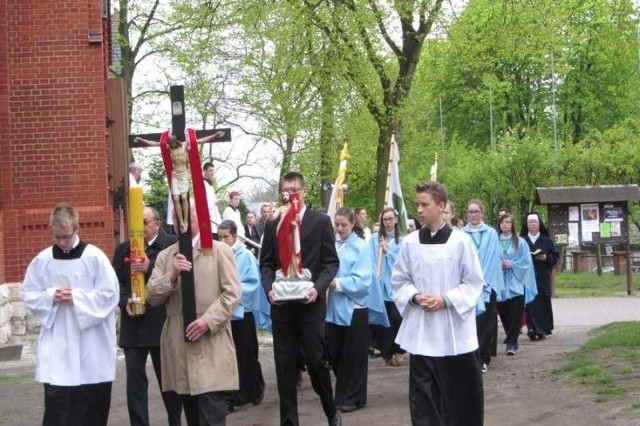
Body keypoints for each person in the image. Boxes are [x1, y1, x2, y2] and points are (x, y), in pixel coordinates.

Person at [392, 181, 484, 426]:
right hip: (422, 332)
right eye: (417, 205)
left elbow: (474, 282)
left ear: (441, 206)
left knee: (460, 397)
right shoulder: (410, 242)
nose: (419, 210)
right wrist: (414, 296)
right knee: (424, 398)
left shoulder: (460, 242)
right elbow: (399, 280)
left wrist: (446, 299)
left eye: (425, 205)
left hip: (455, 332)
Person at [21, 203, 120, 425]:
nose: (63, 242)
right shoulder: (43, 260)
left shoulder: (95, 258)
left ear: (77, 229)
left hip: (92, 346)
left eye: (66, 236)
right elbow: (28, 293)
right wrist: (50, 296)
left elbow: (109, 295)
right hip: (59, 347)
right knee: (58, 410)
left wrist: (76, 297)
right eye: (57, 237)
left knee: (91, 410)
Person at [147, 196, 242, 426]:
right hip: (179, 346)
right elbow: (152, 295)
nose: (182, 221)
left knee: (212, 415)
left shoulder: (219, 250)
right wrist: (171, 275)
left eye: (187, 214)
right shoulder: (166, 255)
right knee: (191, 417)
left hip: (211, 344)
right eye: (178, 215)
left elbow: (232, 293)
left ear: (199, 215)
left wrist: (207, 321)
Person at [260, 171, 342, 426]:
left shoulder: (320, 222)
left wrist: (317, 288)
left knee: (316, 362)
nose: (290, 194)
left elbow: (330, 263)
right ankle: (289, 422)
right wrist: (270, 289)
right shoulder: (274, 224)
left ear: (304, 191)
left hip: (310, 306)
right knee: (284, 368)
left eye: (295, 189)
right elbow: (266, 264)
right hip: (283, 308)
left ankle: (331, 410)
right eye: (286, 189)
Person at [112, 206, 182, 426]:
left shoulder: (170, 244)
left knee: (168, 381)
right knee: (134, 383)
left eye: (144, 222)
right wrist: (125, 302)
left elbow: (175, 280)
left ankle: (175, 421)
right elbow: (116, 283)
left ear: (157, 224)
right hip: (133, 325)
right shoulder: (124, 249)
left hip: (160, 322)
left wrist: (149, 267)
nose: (139, 227)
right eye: (136, 222)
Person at [326, 207, 388, 414]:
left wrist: (337, 283)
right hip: (332, 309)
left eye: (344, 225)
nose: (340, 228)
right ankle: (345, 393)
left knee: (353, 356)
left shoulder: (361, 247)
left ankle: (351, 397)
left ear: (353, 224)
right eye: (337, 224)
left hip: (354, 307)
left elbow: (364, 280)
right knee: (334, 352)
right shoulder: (330, 245)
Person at [217, 220, 268, 414]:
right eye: (219, 237)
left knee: (245, 354)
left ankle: (252, 389)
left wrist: (231, 295)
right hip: (224, 314)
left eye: (226, 237)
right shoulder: (216, 254)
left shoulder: (245, 255)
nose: (222, 240)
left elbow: (252, 284)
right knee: (228, 357)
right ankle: (233, 396)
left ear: (235, 237)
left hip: (241, 312)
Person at [463, 200, 506, 373]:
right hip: (468, 284)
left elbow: (493, 259)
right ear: (466, 214)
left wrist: (482, 280)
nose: (473, 215)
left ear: (482, 213)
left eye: (476, 211)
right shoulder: (461, 234)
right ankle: (469, 356)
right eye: (470, 212)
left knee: (485, 322)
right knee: (470, 322)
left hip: (487, 284)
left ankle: (483, 357)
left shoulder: (491, 233)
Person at [495, 213, 537, 355]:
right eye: (502, 222)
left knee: (515, 313)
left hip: (516, 283)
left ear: (512, 225)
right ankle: (510, 337)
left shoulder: (520, 242)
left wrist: (511, 264)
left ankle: (512, 343)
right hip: (500, 282)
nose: (505, 225)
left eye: (507, 222)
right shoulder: (494, 242)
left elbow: (526, 261)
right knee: (503, 313)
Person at [370, 207, 405, 367]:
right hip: (380, 287)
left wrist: (388, 252)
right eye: (385, 220)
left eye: (391, 219)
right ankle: (387, 353)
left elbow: (402, 263)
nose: (388, 222)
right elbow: (370, 258)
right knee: (383, 322)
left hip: (395, 287)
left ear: (396, 220)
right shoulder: (374, 239)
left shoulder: (402, 241)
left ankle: (398, 350)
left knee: (397, 319)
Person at [520, 212, 559, 340]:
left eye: (535, 222)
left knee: (542, 303)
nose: (533, 224)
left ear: (539, 224)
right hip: (528, 277)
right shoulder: (522, 240)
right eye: (530, 222)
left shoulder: (546, 240)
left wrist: (546, 257)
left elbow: (555, 257)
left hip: (542, 276)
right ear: (527, 225)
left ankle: (542, 329)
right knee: (530, 304)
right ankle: (531, 328)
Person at [202, 162, 222, 239]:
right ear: (204, 171)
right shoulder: (203, 184)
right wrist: (215, 202)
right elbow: (203, 202)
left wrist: (215, 198)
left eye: (213, 171)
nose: (212, 173)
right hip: (209, 218)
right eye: (210, 170)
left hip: (214, 217)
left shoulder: (210, 184)